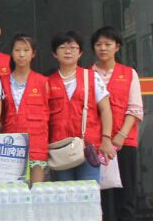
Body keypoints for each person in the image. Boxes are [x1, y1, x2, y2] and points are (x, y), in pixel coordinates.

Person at [92, 26, 142, 221]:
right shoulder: (87, 74)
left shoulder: (128, 73)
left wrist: (120, 135)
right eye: (99, 44)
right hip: (97, 144)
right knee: (102, 196)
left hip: (124, 142)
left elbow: (135, 109)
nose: (103, 48)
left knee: (126, 193)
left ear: (117, 47)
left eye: (108, 44)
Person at [47, 30, 115, 182]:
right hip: (59, 149)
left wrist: (106, 139)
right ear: (54, 53)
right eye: (62, 47)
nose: (68, 51)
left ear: (80, 53)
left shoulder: (91, 77)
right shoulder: (47, 82)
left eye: (73, 47)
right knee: (65, 194)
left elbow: (105, 109)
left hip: (88, 147)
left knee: (88, 193)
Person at [1, 35, 50, 183]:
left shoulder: (43, 82)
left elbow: (50, 115)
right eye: (17, 50)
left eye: (26, 50)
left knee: (36, 191)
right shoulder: (1, 81)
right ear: (11, 53)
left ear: (33, 53)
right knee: (13, 192)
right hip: (9, 145)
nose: (21, 54)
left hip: (37, 145)